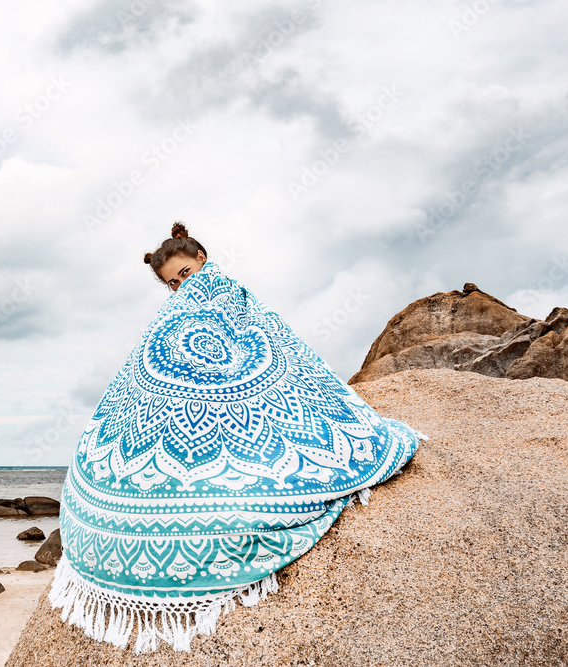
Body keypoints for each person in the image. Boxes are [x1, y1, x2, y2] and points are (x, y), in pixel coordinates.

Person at [48, 222, 425, 654]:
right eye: (172, 284)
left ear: (202, 261)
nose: (182, 288)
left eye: (186, 275)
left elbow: (275, 343)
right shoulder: (177, 311)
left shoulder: (230, 292)